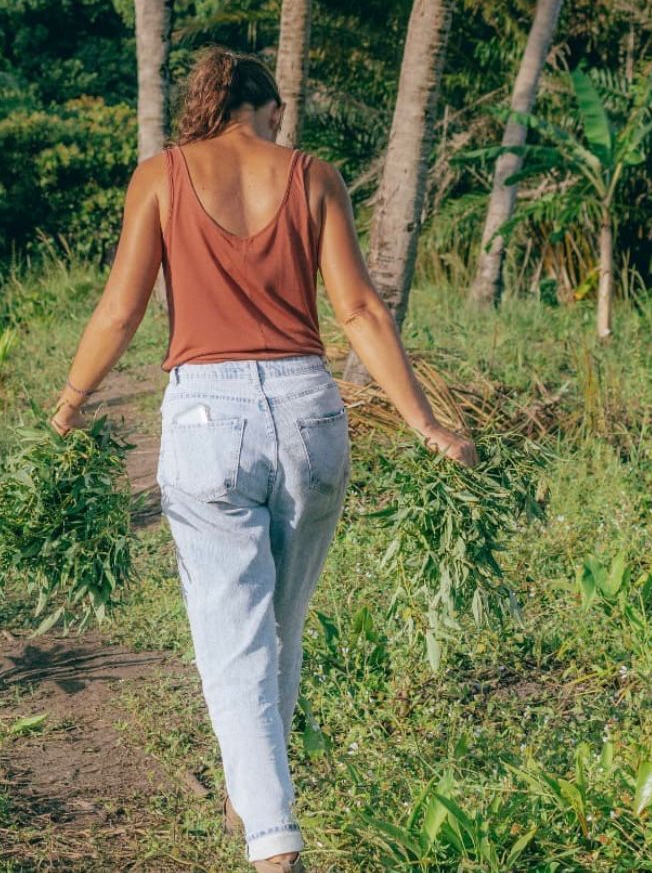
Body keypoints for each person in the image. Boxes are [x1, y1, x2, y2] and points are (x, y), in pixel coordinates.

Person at [48, 46, 476, 871]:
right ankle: (253, 789)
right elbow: (356, 308)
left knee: (234, 637)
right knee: (277, 624)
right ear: (264, 107)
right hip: (310, 415)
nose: (283, 128)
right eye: (280, 114)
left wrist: (68, 405)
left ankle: (272, 843)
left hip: (208, 419)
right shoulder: (313, 175)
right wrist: (424, 422)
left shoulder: (160, 176)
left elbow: (120, 309)